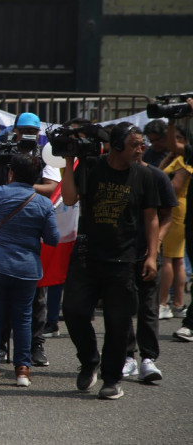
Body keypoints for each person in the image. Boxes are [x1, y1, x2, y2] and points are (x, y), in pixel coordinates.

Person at [61, 122, 159, 400]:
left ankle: (112, 378)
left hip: (124, 260)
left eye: (142, 145)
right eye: (135, 145)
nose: (141, 150)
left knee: (118, 323)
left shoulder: (144, 175)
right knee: (73, 310)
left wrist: (151, 255)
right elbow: (69, 197)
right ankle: (89, 360)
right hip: (87, 256)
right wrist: (70, 161)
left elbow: (151, 217)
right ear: (116, 147)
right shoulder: (92, 167)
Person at [0, 153, 59, 387]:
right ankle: (22, 371)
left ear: (11, 173)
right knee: (23, 318)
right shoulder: (43, 203)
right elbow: (53, 239)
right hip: (26, 267)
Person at [122, 148, 175, 382]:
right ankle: (127, 357)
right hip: (121, 252)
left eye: (139, 145)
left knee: (148, 306)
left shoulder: (157, 176)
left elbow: (167, 217)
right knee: (121, 306)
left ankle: (148, 359)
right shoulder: (116, 174)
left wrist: (155, 247)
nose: (136, 150)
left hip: (149, 251)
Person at [158, 125, 191, 319]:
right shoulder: (176, 158)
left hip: (177, 208)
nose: (175, 142)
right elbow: (158, 172)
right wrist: (168, 158)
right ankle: (177, 303)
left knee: (171, 258)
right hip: (175, 207)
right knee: (176, 258)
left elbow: (173, 186)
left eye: (180, 138)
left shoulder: (186, 161)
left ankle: (164, 303)